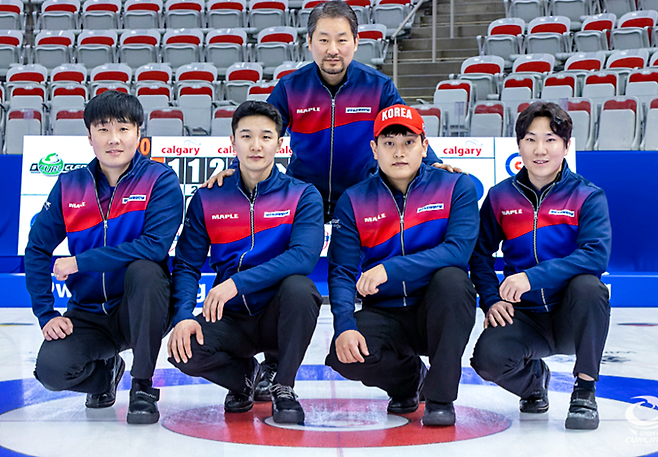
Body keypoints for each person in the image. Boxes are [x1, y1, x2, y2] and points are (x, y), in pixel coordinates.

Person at [205, 0, 455, 401]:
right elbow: (259, 133)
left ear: (356, 43)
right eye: (324, 39)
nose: (332, 48)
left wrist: (437, 163)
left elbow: (402, 133)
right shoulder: (291, 87)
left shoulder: (378, 87)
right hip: (304, 195)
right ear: (310, 43)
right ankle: (272, 360)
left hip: (363, 196)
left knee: (365, 271)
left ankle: (392, 338)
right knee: (278, 268)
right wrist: (231, 169)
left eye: (341, 39)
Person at [25, 90, 184, 425]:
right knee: (51, 371)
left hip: (140, 309)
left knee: (145, 270)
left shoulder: (160, 179)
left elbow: (154, 246)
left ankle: (142, 386)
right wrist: (45, 314)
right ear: (89, 137)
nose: (114, 139)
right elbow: (37, 248)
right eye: (103, 129)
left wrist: (80, 261)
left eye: (123, 129)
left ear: (139, 134)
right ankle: (107, 372)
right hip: (88, 314)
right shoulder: (70, 186)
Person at [167, 101, 324, 424]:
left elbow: (303, 257)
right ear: (232, 142)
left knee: (301, 288)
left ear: (280, 144)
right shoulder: (209, 197)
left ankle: (283, 385)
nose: (256, 146)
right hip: (231, 317)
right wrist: (183, 315)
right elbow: (186, 264)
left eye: (266, 137)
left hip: (276, 313)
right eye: (246, 136)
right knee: (182, 349)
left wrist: (236, 283)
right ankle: (245, 378)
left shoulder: (302, 195)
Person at [324, 104, 479, 426]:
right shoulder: (354, 200)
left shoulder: (455, 186)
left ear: (425, 146)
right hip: (385, 311)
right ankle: (410, 381)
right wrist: (345, 325)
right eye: (389, 143)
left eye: (408, 142)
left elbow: (457, 251)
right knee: (344, 357)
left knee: (453, 280)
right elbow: (340, 271)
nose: (399, 152)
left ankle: (440, 398)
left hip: (437, 309)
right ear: (374, 149)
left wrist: (390, 268)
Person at [469, 101, 611, 430]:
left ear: (566, 145)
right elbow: (479, 254)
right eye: (531, 139)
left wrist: (531, 278)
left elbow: (595, 255)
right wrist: (491, 299)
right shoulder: (499, 197)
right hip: (526, 317)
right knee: (486, 359)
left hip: (570, 314)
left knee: (590, 287)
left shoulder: (588, 196)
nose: (540, 149)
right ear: (519, 145)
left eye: (550, 139)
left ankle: (585, 392)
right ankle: (534, 384)